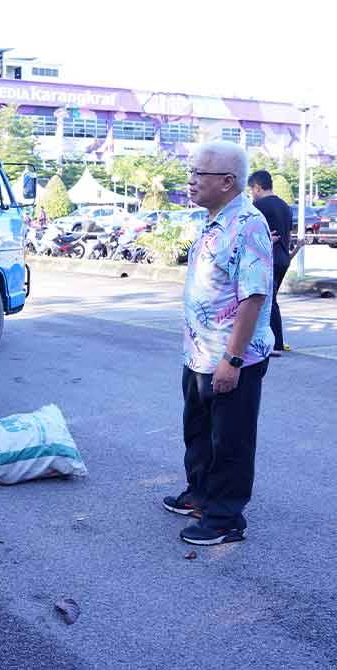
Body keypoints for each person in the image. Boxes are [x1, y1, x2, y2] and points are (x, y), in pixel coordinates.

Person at [163, 141, 274, 546]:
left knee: (230, 440)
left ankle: (226, 517)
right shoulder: (214, 220)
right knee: (199, 430)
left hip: (232, 357)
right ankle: (201, 494)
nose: (190, 181)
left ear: (227, 182)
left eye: (198, 175)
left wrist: (232, 358)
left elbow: (254, 295)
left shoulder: (248, 223)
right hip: (199, 353)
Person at [248, 170, 293, 356]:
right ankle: (275, 341)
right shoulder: (285, 206)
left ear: (257, 187)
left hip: (268, 258)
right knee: (271, 299)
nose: (252, 193)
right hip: (283, 257)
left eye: (252, 190)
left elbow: (251, 230)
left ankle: (275, 343)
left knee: (267, 301)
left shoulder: (258, 205)